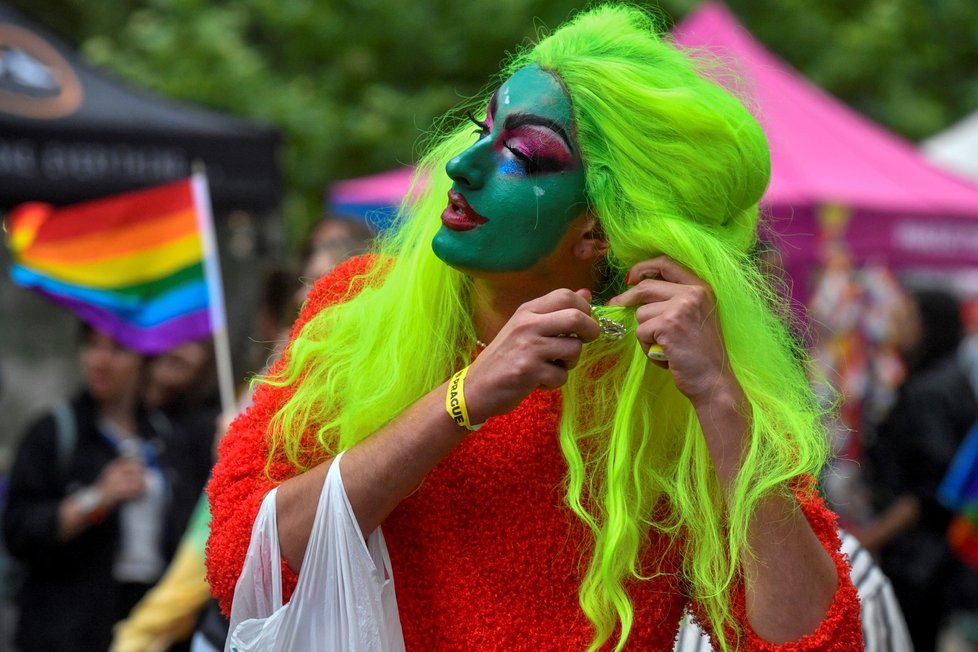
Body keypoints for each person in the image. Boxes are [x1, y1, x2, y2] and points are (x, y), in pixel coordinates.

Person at [207, 5, 861, 650]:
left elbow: (816, 639)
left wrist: (720, 399)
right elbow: (243, 564)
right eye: (480, 128)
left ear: (600, 228)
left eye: (520, 153)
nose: (464, 167)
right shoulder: (354, 308)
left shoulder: (672, 377)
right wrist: (463, 398)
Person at [1, 324, 189, 651]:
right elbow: (18, 530)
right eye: (92, 346)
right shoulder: (55, 432)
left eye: (117, 350)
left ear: (143, 360)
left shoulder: (163, 435)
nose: (101, 361)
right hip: (66, 632)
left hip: (144, 626)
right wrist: (97, 498)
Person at [858, 287, 978, 651]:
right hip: (933, 560)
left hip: (919, 564)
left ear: (931, 325)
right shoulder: (946, 380)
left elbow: (931, 488)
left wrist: (871, 538)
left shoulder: (930, 392)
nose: (898, 326)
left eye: (908, 317)